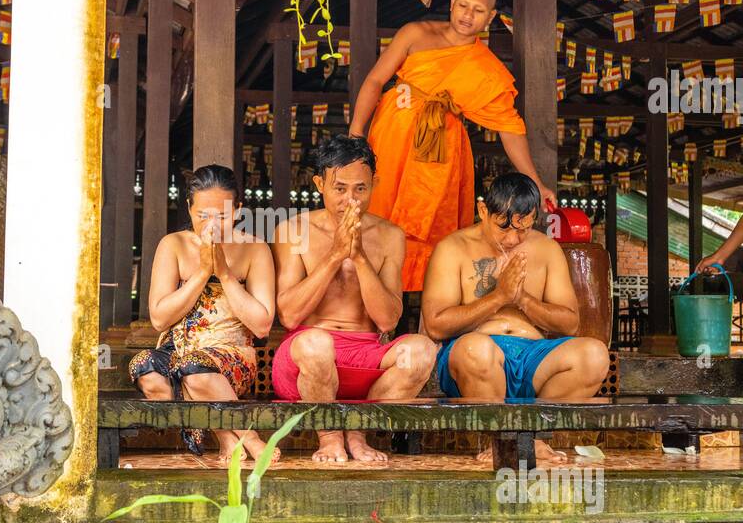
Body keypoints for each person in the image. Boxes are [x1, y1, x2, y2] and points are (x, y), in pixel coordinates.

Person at [349, 0, 556, 293]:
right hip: (393, 138)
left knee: (433, 226)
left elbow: (509, 127)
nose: (467, 15)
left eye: (478, 10)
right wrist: (356, 135)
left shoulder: (486, 68)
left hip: (441, 154)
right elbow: (376, 81)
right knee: (380, 212)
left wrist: (537, 182)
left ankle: (429, 310)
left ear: (489, 18)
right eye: (463, 5)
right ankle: (374, 303)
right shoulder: (415, 33)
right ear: (452, 1)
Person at [420, 173, 610, 463]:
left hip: (534, 358)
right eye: (503, 227)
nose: (513, 239)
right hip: (474, 360)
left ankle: (534, 438)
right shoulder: (453, 248)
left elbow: (570, 323)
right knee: (476, 349)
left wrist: (522, 299)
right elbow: (435, 324)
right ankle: (498, 441)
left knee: (594, 355)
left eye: (523, 229)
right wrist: (499, 296)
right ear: (483, 211)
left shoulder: (546, 249)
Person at [271, 134, 437, 464]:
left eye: (361, 189)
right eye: (340, 188)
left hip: (366, 358)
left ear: (374, 184)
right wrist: (334, 255)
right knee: (315, 343)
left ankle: (359, 434)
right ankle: (330, 436)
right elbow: (289, 316)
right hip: (307, 363)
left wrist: (359, 257)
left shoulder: (390, 236)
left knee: (421, 351)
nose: (351, 199)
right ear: (319, 183)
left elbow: (388, 320)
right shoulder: (293, 230)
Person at [129, 164, 277, 465]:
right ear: (189, 208)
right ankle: (231, 437)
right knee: (145, 366)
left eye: (222, 216)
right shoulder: (173, 245)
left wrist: (222, 272)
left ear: (237, 210)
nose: (212, 224)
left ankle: (248, 438)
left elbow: (262, 325)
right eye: (203, 215)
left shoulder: (254, 249)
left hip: (230, 356)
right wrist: (202, 272)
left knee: (194, 367)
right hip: (178, 349)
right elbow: (159, 318)